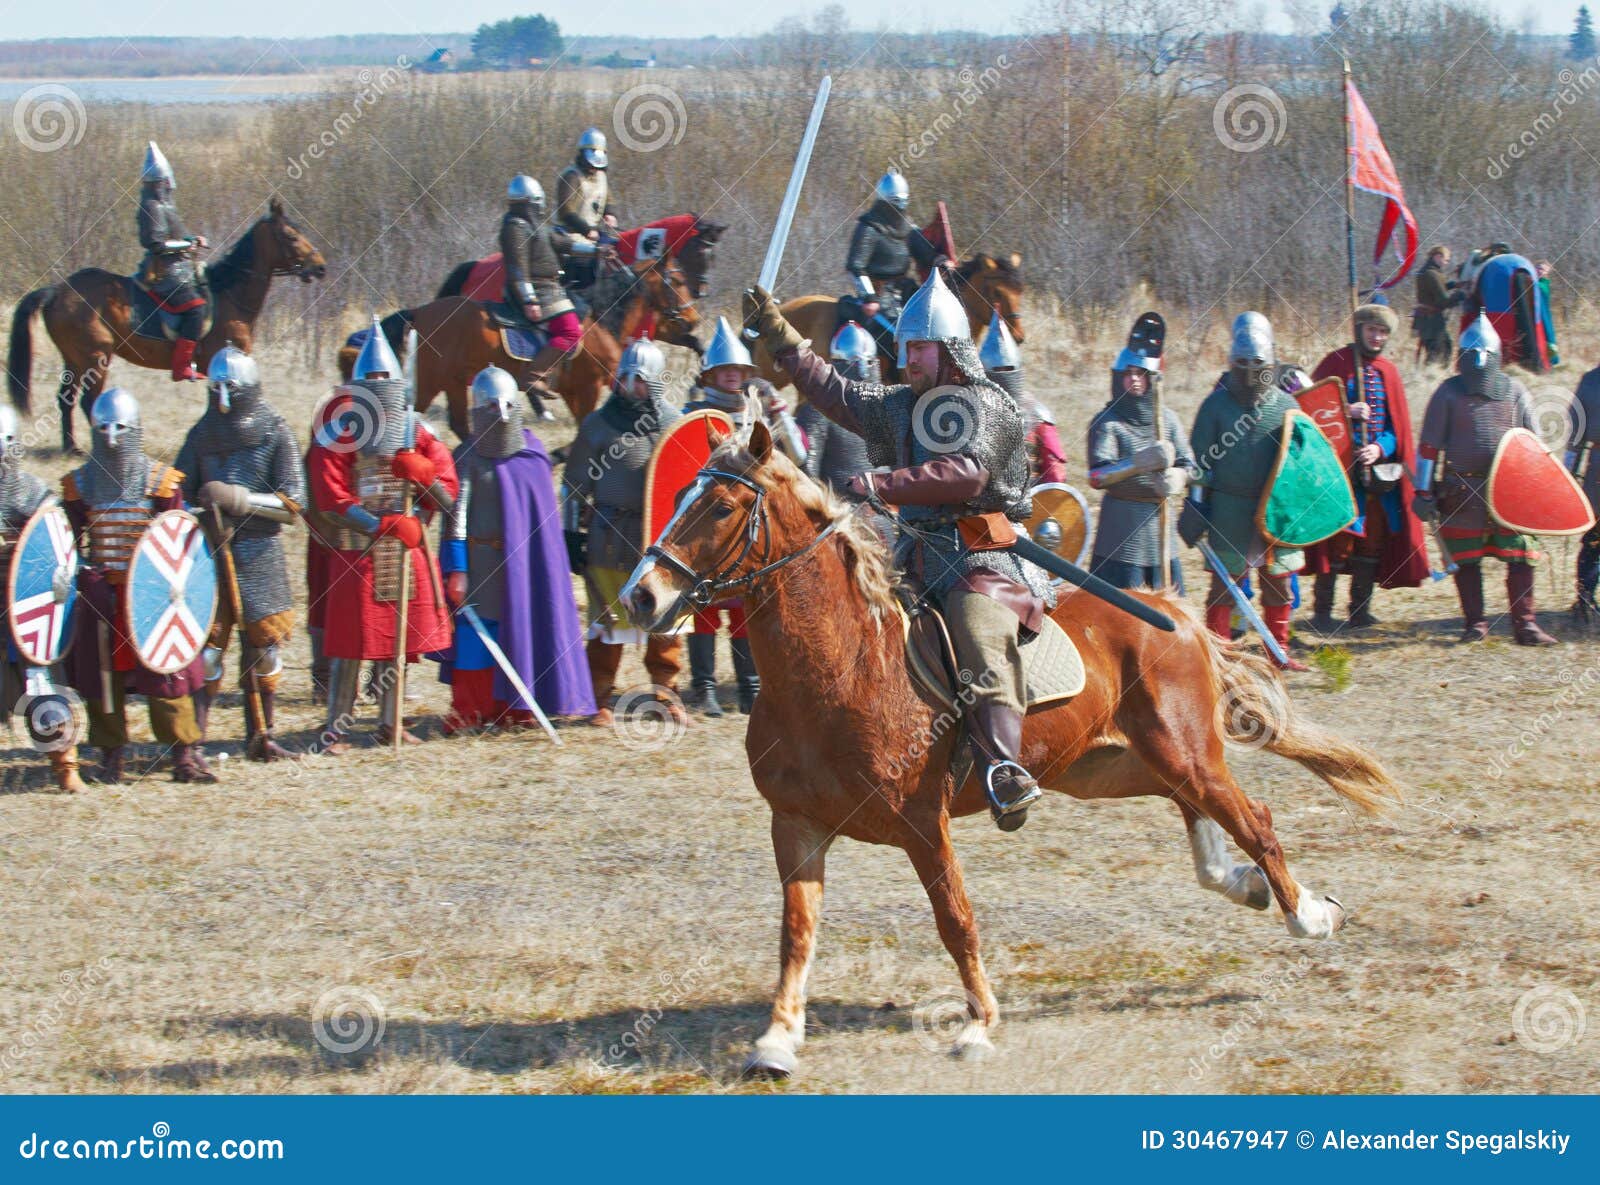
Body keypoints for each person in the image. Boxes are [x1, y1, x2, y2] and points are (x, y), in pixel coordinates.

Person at [746, 269, 1053, 832]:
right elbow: (838, 393)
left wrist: (882, 485)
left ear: (951, 349)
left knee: (979, 633)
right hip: (912, 560)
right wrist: (780, 338)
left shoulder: (985, 403)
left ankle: (1005, 771)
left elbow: (966, 473)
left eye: (921, 347)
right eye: (906, 347)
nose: (909, 357)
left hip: (978, 560)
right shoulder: (904, 405)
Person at [307, 325, 459, 750]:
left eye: (382, 380)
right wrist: (380, 525)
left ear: (395, 384)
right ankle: (336, 727)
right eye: (369, 379)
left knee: (400, 640)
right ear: (356, 383)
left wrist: (424, 476)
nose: (376, 386)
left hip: (406, 548)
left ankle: (390, 722)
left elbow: (447, 498)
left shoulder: (417, 431)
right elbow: (329, 497)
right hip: (358, 551)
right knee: (351, 642)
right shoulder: (337, 431)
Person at [62, 388, 213, 782]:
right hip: (101, 593)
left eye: (120, 428)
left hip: (152, 594)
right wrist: (81, 572)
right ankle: (112, 753)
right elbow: (66, 542)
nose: (112, 436)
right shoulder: (81, 484)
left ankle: (182, 751)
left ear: (135, 430)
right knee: (101, 676)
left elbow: (180, 543)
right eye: (104, 428)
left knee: (167, 669)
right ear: (94, 430)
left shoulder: (161, 483)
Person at [438, 367, 595, 731]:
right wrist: (457, 570)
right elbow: (455, 521)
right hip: (478, 566)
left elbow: (543, 527)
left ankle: (518, 709)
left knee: (523, 632)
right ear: (477, 409)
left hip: (522, 567)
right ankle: (470, 710)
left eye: (505, 404)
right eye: (490, 406)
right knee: (475, 639)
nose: (499, 413)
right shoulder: (467, 457)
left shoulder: (533, 456)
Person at [175, 345, 305, 760]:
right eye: (217, 388)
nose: (224, 396)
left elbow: (292, 504)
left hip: (259, 554)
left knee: (264, 651)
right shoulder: (200, 436)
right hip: (210, 556)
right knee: (208, 653)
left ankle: (261, 736)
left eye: (231, 387)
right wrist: (200, 512)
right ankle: (193, 741)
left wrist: (238, 498)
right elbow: (178, 499)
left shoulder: (274, 431)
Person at [679, 318, 805, 717]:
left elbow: (800, 458)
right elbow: (678, 469)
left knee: (742, 607)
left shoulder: (759, 415)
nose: (732, 376)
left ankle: (750, 687)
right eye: (725, 370)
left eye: (738, 370)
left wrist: (781, 415)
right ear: (711, 374)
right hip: (705, 521)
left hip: (748, 523)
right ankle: (704, 687)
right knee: (701, 605)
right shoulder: (693, 414)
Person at [564, 338, 689, 729]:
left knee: (666, 625)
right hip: (610, 537)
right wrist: (572, 536)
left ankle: (667, 697)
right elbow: (572, 487)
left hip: (658, 541)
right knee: (607, 626)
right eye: (626, 378)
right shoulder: (598, 426)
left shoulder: (674, 424)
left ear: (654, 384)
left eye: (640, 380)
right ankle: (599, 699)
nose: (631, 387)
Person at [1414, 313, 1556, 645]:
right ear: (1460, 358)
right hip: (1461, 490)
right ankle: (1475, 624)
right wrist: (1422, 489)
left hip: (1510, 486)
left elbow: (1534, 443)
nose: (1479, 362)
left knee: (1521, 554)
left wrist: (1540, 484)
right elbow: (1429, 447)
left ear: (1496, 357)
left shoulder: (1516, 390)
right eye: (1472, 355)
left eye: (1485, 356)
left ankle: (1526, 624)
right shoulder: (1448, 393)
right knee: (1466, 559)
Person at [1180, 312, 1309, 671]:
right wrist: (1196, 505)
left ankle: (1277, 652)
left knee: (1278, 584)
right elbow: (1201, 462)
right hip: (1228, 508)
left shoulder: (1287, 406)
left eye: (1258, 363)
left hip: (1273, 508)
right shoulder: (1216, 406)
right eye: (1244, 363)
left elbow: (1300, 462)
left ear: (1271, 364)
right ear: (1232, 363)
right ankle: (1218, 657)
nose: (1251, 370)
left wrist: (1297, 501)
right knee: (1225, 586)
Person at [1303, 304, 1430, 631]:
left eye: (1383, 332)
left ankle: (1359, 610)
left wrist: (1379, 447)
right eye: (1371, 329)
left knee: (1371, 542)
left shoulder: (1387, 371)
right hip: (1339, 473)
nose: (1376, 337)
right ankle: (1322, 613)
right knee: (1336, 542)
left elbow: (1395, 427)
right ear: (1359, 329)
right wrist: (1347, 411)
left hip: (1374, 475)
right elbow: (1312, 410)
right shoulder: (1337, 364)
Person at [0, 408, 84, 792]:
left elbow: (56, 548)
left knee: (41, 682)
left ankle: (65, 766)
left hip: (25, 606)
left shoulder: (31, 492)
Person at [1087, 338, 1191, 591]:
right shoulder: (1107, 422)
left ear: (1153, 379)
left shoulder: (1168, 419)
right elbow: (1096, 477)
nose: (1134, 380)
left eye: (1141, 374)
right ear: (1117, 377)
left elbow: (1190, 465)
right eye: (1128, 374)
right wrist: (1136, 464)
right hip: (1120, 529)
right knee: (1117, 610)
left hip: (1160, 525)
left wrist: (1178, 477)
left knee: (1168, 610)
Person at [500, 174, 592, 405]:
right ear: (530, 202)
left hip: (551, 288)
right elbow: (517, 268)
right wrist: (529, 299)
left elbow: (565, 243)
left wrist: (597, 250)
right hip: (539, 290)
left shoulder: (536, 226)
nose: (540, 207)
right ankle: (535, 376)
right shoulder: (515, 227)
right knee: (571, 332)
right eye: (537, 202)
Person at [845, 170, 944, 358]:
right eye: (895, 203)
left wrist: (940, 261)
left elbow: (926, 253)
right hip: (879, 296)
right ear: (884, 203)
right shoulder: (869, 228)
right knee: (895, 334)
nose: (898, 209)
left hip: (906, 291)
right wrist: (869, 297)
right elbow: (856, 266)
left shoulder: (907, 227)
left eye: (902, 203)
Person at [136, 141, 208, 382]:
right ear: (160, 183)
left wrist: (191, 239)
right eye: (165, 182)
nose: (168, 186)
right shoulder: (151, 206)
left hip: (180, 267)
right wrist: (187, 245)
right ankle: (181, 366)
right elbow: (156, 243)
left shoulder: (163, 206)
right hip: (166, 272)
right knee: (196, 308)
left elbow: (173, 235)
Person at [979, 308, 1065, 485]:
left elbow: (1055, 474)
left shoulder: (1037, 414)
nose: (1002, 377)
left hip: (1031, 504)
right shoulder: (970, 410)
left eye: (1007, 371)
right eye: (997, 372)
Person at [798, 324, 875, 496]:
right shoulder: (818, 410)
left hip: (892, 514)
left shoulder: (889, 406)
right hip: (842, 515)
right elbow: (807, 474)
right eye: (854, 363)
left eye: (866, 363)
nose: (860, 370)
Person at [555, 128, 617, 289]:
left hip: (595, 233)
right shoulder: (571, 177)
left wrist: (609, 213)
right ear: (582, 156)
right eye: (590, 163)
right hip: (572, 233)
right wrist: (586, 230)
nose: (594, 168)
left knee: (617, 253)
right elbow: (566, 211)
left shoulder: (601, 177)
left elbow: (606, 198)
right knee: (585, 263)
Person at [1568, 361, 1600, 623]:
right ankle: (1585, 601)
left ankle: (1585, 601)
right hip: (1598, 471)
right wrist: (1565, 476)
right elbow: (1575, 437)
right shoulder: (1590, 381)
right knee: (1594, 539)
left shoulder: (1589, 381)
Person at [1413, 245, 1457, 366]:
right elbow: (1443, 301)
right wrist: (1459, 296)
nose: (1447, 263)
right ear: (1438, 257)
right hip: (1432, 320)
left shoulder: (1425, 271)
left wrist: (1450, 286)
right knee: (1438, 352)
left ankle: (1429, 376)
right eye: (1446, 260)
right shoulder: (1432, 274)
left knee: (1439, 348)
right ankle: (1430, 378)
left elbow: (1430, 292)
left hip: (1424, 318)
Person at [1537, 260, 1560, 367]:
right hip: (1538, 313)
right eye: (1538, 268)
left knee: (1548, 336)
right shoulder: (1537, 282)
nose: (1539, 271)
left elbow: (1539, 288)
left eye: (1542, 269)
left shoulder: (1544, 283)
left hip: (1544, 313)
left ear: (1547, 272)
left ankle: (1552, 361)